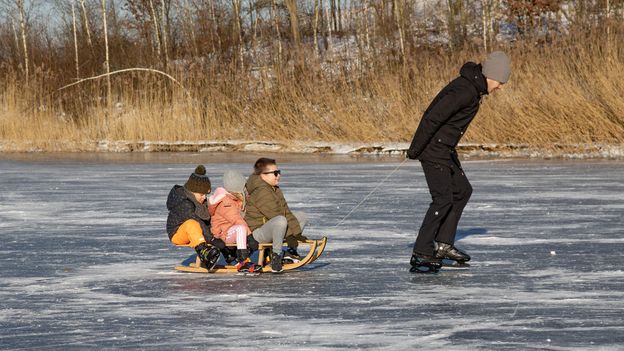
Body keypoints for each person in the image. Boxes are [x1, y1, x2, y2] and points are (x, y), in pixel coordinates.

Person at [406, 51, 511, 272]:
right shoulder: (464, 91)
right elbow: (432, 116)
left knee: (462, 190)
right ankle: (422, 252)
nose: (500, 87)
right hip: (433, 150)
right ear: (491, 75)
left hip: (444, 149)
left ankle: (443, 244)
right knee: (442, 198)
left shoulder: (472, 89)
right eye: (500, 82)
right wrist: (416, 148)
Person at [244, 157, 308, 273]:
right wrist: (290, 235)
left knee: (301, 216)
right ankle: (276, 256)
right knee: (280, 220)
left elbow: (285, 211)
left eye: (279, 172)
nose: (278, 175)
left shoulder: (274, 189)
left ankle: (290, 252)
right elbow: (276, 215)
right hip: (258, 232)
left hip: (271, 226)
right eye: (275, 173)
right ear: (263, 175)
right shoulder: (261, 192)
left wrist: (296, 234)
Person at [166, 165, 225, 270]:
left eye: (206, 195)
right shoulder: (184, 203)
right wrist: (211, 239)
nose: (204, 197)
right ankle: (204, 252)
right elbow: (197, 221)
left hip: (197, 234)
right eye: (201, 194)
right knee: (191, 223)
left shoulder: (202, 203)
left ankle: (230, 254)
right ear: (192, 192)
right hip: (178, 233)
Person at [208, 170, 261, 273]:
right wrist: (250, 237)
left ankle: (236, 258)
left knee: (248, 228)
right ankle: (242, 261)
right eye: (244, 186)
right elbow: (237, 220)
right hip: (223, 234)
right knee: (241, 228)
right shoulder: (226, 202)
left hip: (230, 230)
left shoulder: (235, 199)